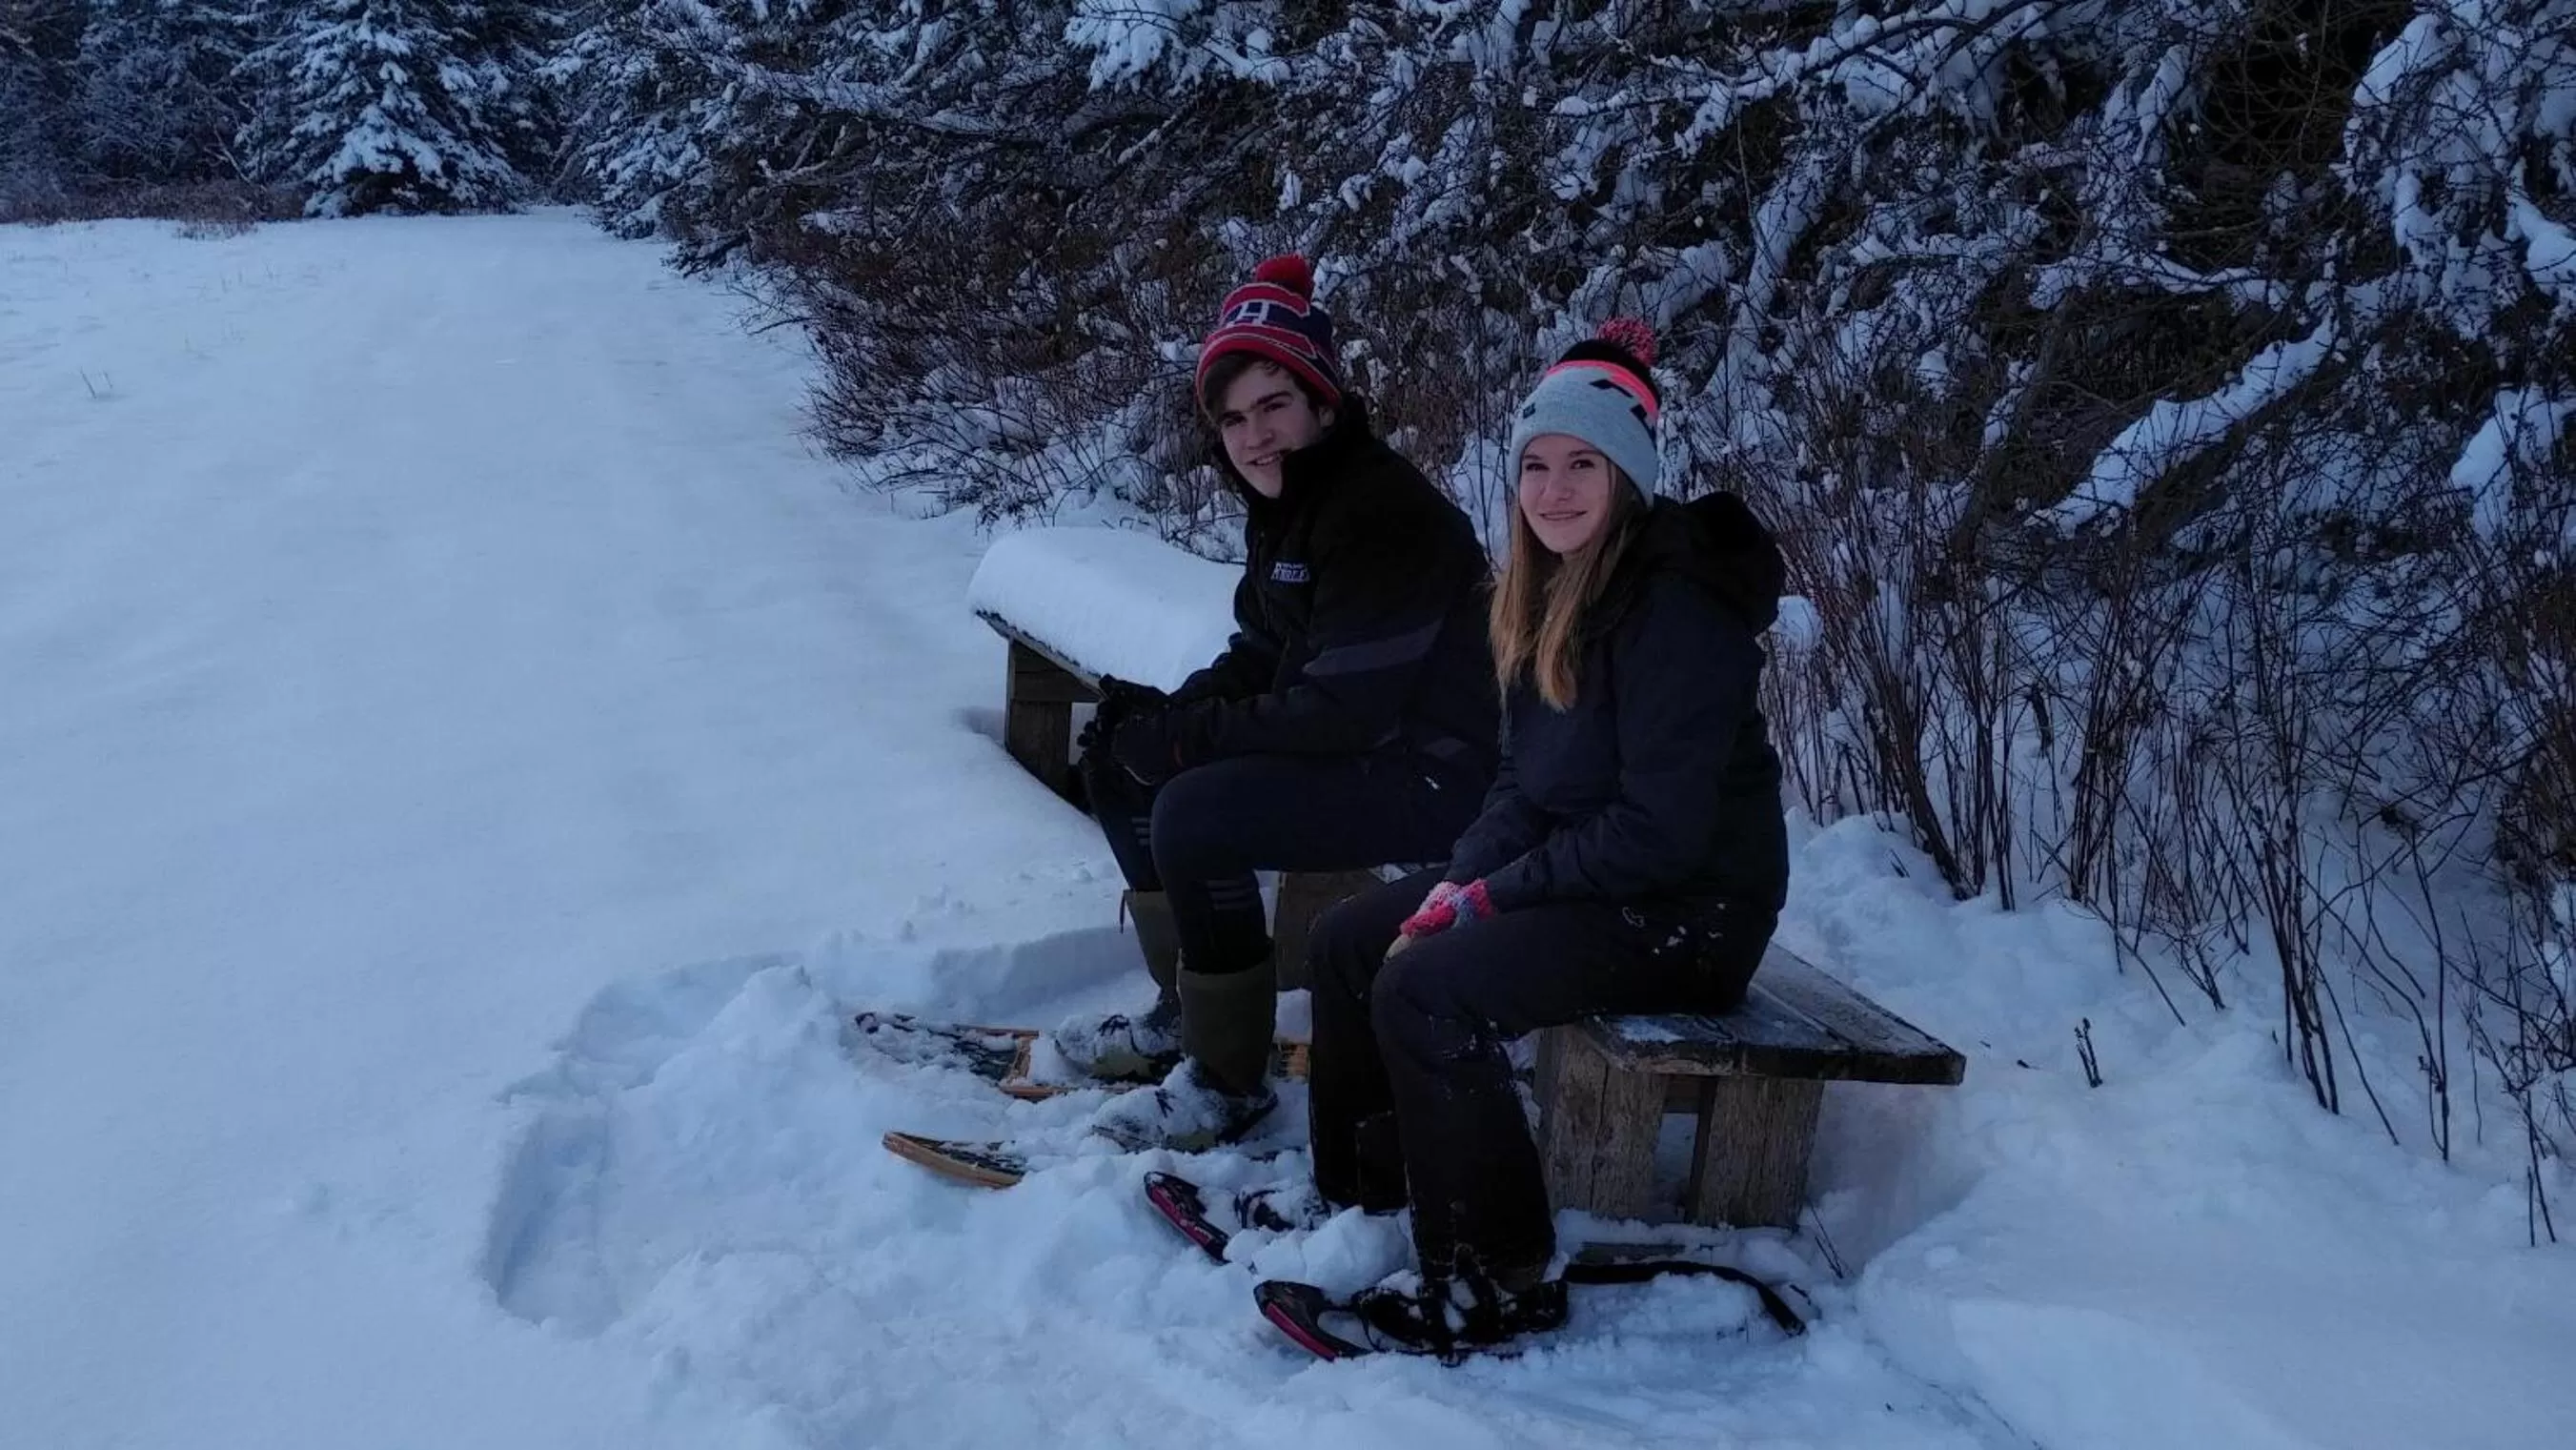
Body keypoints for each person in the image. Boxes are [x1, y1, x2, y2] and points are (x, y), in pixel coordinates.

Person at [1288, 317, 1792, 1354]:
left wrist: (1492, 898)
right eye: (1535, 466)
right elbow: (1522, 784)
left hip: (1689, 911)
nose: (1553, 490)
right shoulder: (1545, 592)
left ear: (1627, 475)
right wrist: (1461, 882)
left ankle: (1497, 1274)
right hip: (1599, 877)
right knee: (1350, 940)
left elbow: (1657, 833)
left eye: (1581, 465)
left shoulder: (1677, 612)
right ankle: (1369, 1207)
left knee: (1427, 989)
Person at [1061, 255, 1501, 1154]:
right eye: (1232, 418)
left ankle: (1225, 1082)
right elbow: (1265, 652)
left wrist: (1185, 741)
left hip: (1443, 779)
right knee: (1119, 762)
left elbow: (1339, 712)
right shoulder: (1292, 503)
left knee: (1194, 812)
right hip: (1370, 750)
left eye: (1273, 406)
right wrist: (1164, 717)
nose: (1253, 436)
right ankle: (1189, 1012)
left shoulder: (1382, 516)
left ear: (1322, 404)